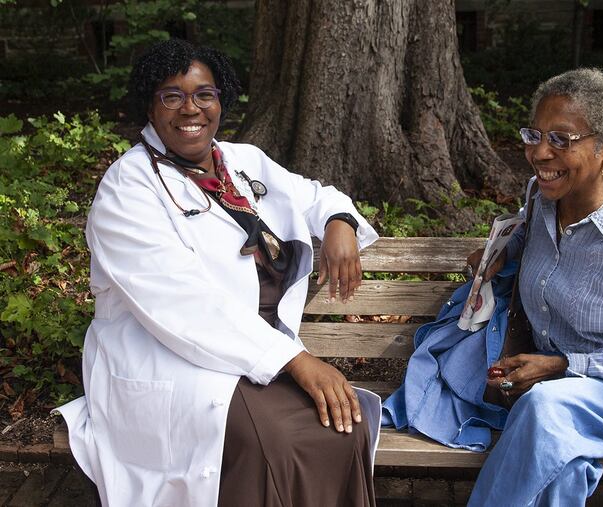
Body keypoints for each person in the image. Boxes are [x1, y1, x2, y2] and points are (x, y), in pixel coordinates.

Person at [54, 39, 381, 507]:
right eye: (172, 96)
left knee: (345, 425)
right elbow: (181, 304)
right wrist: (295, 361)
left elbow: (314, 194)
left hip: (257, 351)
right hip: (175, 357)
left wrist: (339, 223)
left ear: (220, 99)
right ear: (149, 104)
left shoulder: (241, 161)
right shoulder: (127, 188)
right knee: (277, 439)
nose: (191, 108)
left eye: (204, 94)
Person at [465, 68, 603, 506]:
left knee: (544, 411)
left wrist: (559, 366)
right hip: (557, 390)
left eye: (561, 140)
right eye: (535, 135)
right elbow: (530, 236)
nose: (539, 153)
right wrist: (503, 252)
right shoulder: (542, 197)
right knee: (563, 463)